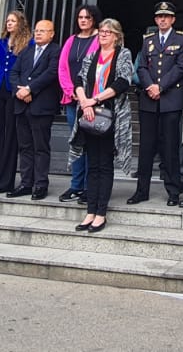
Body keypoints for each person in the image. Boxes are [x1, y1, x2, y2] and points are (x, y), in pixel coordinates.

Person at [71, 17, 133, 232]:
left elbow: (123, 82)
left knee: (104, 165)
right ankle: (90, 211)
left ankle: (100, 214)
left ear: (116, 36)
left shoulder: (123, 54)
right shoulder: (91, 55)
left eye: (108, 32)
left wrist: (94, 100)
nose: (103, 34)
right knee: (92, 164)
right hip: (89, 115)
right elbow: (78, 79)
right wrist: (84, 101)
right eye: (101, 31)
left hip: (109, 116)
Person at [128, 1, 183, 206]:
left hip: (170, 100)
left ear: (172, 19)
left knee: (170, 148)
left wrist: (160, 86)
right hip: (148, 100)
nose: (162, 20)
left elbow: (180, 68)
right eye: (159, 17)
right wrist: (149, 86)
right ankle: (141, 190)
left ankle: (173, 191)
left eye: (166, 16)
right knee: (146, 148)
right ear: (155, 19)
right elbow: (142, 66)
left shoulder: (181, 39)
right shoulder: (148, 40)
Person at [10, 19, 61, 199]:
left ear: (52, 34)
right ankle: (25, 182)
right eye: (36, 30)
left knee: (40, 147)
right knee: (25, 146)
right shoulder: (26, 51)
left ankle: (40, 184)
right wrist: (20, 91)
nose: (38, 33)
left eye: (43, 31)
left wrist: (30, 89)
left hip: (42, 106)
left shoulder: (56, 51)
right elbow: (14, 72)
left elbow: (51, 73)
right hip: (22, 105)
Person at [57, 5, 102, 204]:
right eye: (80, 17)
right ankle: (75, 186)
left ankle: (88, 187)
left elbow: (99, 70)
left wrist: (87, 97)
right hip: (72, 100)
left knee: (90, 145)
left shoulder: (99, 38)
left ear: (94, 20)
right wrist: (71, 91)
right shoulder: (70, 41)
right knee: (75, 144)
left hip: (91, 101)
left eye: (87, 17)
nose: (83, 20)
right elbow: (62, 68)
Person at [0, 11, 28, 194]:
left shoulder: (27, 43)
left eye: (13, 21)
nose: (9, 24)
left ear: (20, 23)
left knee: (10, 136)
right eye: (8, 21)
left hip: (13, 92)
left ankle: (5, 181)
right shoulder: (0, 43)